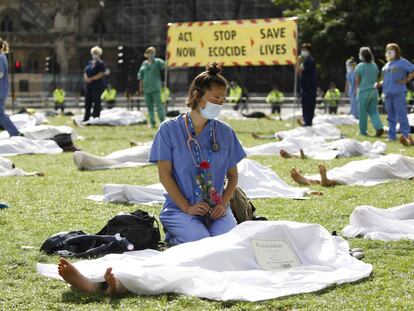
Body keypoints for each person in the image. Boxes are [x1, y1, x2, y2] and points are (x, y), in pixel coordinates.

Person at [149, 61, 246, 246]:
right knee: (200, 241)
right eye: (215, 99)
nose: (219, 104)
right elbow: (164, 175)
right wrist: (187, 207)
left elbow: (232, 176)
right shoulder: (169, 130)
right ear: (197, 95)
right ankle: (174, 234)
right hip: (179, 209)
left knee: (228, 243)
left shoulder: (225, 132)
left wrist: (222, 204)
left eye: (222, 100)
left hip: (216, 209)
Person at [376, 43, 414, 146]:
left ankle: (405, 136)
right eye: (387, 49)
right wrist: (378, 84)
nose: (389, 51)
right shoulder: (387, 65)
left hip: (398, 92)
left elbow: (413, 70)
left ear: (397, 51)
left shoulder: (402, 62)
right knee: (390, 116)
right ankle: (391, 136)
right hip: (387, 94)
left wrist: (405, 80)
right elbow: (386, 79)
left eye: (391, 49)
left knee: (402, 115)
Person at [355, 47, 384, 137]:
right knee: (373, 111)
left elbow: (358, 80)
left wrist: (357, 89)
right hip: (374, 92)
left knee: (363, 113)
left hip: (363, 92)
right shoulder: (374, 65)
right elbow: (376, 78)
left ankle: (363, 131)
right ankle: (379, 127)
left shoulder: (360, 66)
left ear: (362, 55)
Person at [138, 46, 166, 128]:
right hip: (146, 89)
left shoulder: (157, 62)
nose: (152, 54)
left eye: (153, 52)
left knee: (159, 106)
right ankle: (152, 123)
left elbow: (165, 65)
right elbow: (141, 76)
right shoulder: (144, 64)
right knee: (149, 107)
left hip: (156, 88)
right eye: (150, 52)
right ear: (146, 54)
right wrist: (140, 87)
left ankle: (163, 122)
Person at [0, 38, 20, 137]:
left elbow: (0, 74)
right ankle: (14, 132)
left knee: (1, 115)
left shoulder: (0, 58)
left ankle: (15, 132)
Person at [296, 43, 317, 126]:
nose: (303, 52)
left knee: (309, 106)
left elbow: (298, 69)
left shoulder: (309, 61)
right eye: (302, 50)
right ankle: (305, 121)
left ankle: (308, 123)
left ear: (309, 51)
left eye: (305, 50)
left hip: (310, 88)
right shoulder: (304, 61)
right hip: (304, 87)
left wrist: (297, 62)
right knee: (304, 106)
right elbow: (299, 72)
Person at [83, 46, 106, 122]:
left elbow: (101, 74)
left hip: (97, 85)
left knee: (96, 101)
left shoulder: (101, 64)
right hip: (89, 85)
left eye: (96, 53)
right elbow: (85, 71)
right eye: (93, 53)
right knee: (87, 101)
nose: (94, 55)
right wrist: (86, 78)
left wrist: (91, 79)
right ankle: (86, 117)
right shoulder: (89, 63)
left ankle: (96, 116)